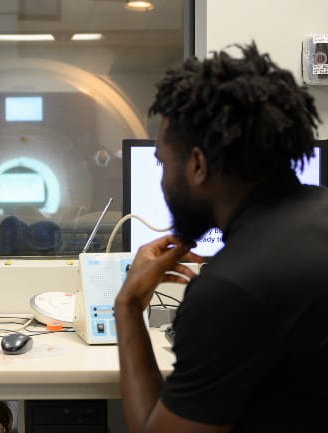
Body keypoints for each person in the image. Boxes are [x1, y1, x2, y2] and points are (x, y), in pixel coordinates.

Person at [114, 43, 328, 433]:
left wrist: (128, 307)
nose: (162, 180)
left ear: (197, 165)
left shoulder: (231, 289)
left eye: (162, 162)